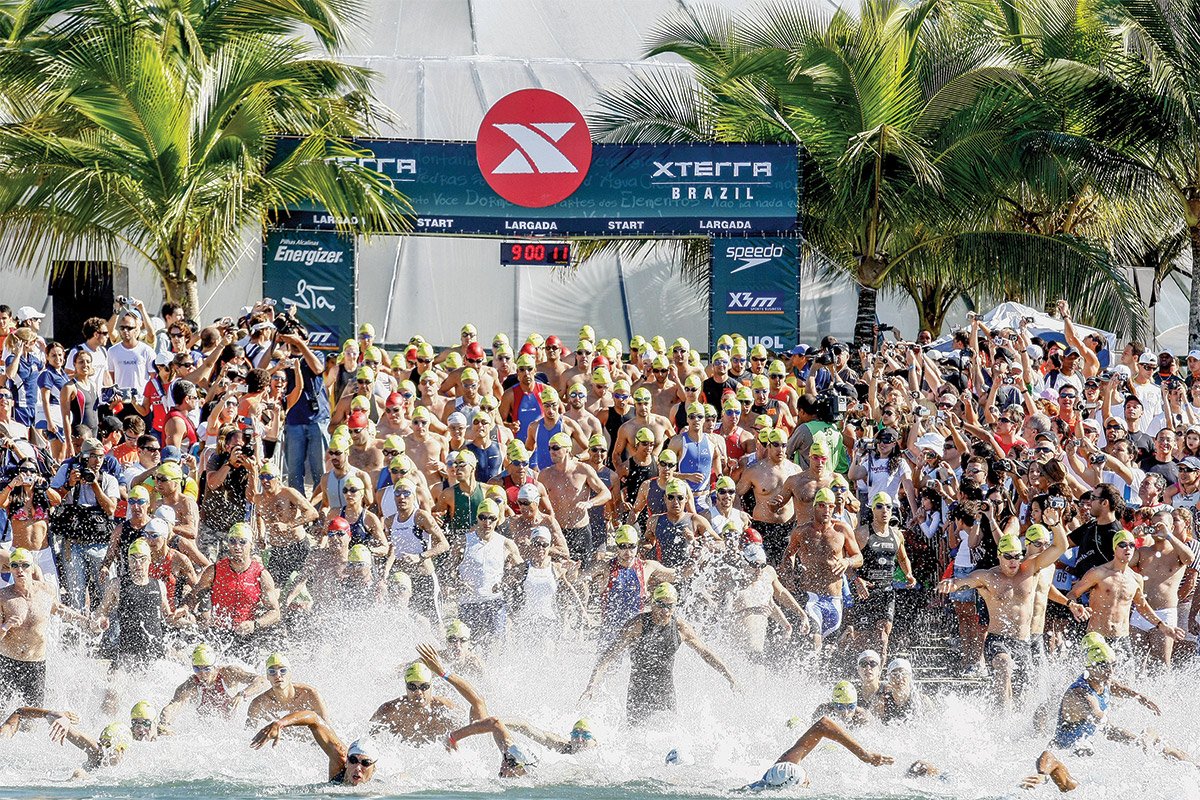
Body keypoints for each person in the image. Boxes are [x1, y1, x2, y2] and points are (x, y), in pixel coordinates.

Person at [1022, 639, 1195, 792]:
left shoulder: (1104, 681)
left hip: (1092, 744)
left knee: (1159, 743)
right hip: (1066, 752)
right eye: (1104, 665)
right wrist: (1042, 774)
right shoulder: (1080, 693)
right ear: (1090, 667)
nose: (1111, 670)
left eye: (1113, 664)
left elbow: (1126, 691)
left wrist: (1144, 699)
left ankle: (1195, 767)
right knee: (1068, 783)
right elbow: (1097, 714)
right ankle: (1043, 776)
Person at [936, 526, 1068, 709]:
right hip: (998, 639)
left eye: (1016, 556)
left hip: (1023, 642)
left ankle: (1011, 722)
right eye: (1007, 556)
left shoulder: (1030, 569)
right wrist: (952, 583)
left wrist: (1055, 524)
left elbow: (1061, 547)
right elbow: (965, 581)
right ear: (999, 555)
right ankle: (1002, 719)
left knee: (1024, 696)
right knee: (1004, 665)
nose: (1013, 561)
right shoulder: (989, 577)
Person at [581, 582, 737, 724]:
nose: (665, 610)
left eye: (669, 606)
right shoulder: (637, 625)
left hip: (666, 691)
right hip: (638, 692)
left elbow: (706, 653)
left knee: (668, 735)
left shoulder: (680, 627)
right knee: (636, 738)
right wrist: (592, 685)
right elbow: (608, 656)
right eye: (660, 605)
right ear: (652, 604)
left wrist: (730, 677)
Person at [1067, 528, 1187, 664]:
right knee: (1097, 681)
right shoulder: (1098, 573)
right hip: (1097, 637)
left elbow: (1142, 606)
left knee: (1127, 682)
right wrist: (1073, 605)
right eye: (1122, 545)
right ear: (1114, 548)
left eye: (1131, 545)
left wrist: (1162, 625)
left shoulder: (1136, 579)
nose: (1127, 548)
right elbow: (1073, 593)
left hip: (1121, 638)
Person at [368, 642, 490, 744]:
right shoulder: (390, 711)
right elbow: (366, 739)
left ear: (431, 686)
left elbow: (478, 703)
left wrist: (443, 673)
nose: (418, 692)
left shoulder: (445, 709)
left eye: (424, 686)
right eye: (412, 686)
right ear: (405, 687)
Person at [847, 492, 916, 661]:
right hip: (864, 593)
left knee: (882, 636)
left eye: (888, 507)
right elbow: (847, 561)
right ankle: (858, 668)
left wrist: (909, 574)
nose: (884, 510)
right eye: (879, 506)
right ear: (872, 509)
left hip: (886, 592)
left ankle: (880, 673)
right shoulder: (862, 534)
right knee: (862, 640)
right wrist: (856, 580)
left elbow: (902, 557)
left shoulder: (896, 534)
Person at [743, 714, 893, 791]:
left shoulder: (784, 764)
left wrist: (863, 754)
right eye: (804, 781)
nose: (807, 780)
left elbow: (824, 724)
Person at [252, 712, 379, 786]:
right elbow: (314, 719)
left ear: (374, 769)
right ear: (346, 761)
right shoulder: (340, 759)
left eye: (365, 763)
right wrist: (281, 723)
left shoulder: (380, 789)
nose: (357, 767)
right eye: (353, 760)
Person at [158, 643, 264, 731]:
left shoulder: (228, 673)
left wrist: (242, 694)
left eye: (207, 669)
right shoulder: (192, 683)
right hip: (206, 732)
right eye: (197, 669)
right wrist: (164, 724)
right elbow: (174, 705)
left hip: (232, 729)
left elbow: (261, 680)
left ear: (214, 667)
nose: (202, 674)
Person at [0, 708, 130, 775]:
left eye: (110, 746)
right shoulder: (98, 753)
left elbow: (19, 712)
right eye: (104, 744)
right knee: (79, 774)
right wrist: (57, 717)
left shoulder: (99, 754)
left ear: (124, 751)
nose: (105, 750)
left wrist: (54, 715)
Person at [246, 651, 330, 726]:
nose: (277, 675)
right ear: (267, 676)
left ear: (290, 674)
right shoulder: (259, 704)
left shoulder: (310, 695)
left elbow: (328, 729)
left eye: (283, 671)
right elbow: (248, 736)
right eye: (272, 672)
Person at [869, 658, 930, 723]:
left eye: (903, 673)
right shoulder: (882, 702)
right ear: (889, 678)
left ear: (910, 676)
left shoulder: (921, 701)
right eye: (895, 674)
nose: (899, 678)